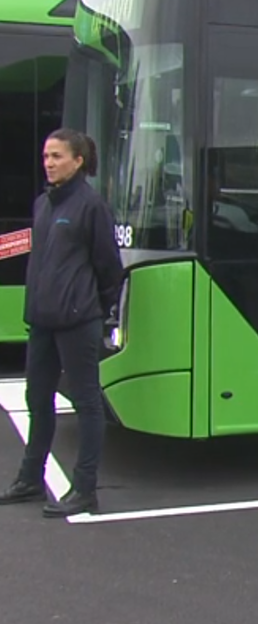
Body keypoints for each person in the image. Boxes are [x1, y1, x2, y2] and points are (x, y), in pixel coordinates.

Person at [0, 128, 123, 517]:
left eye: (56, 156)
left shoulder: (91, 207)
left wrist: (93, 310)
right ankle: (30, 480)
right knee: (38, 399)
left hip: (76, 321)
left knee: (87, 403)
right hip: (41, 321)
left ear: (78, 161)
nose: (48, 163)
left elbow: (110, 269)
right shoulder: (44, 204)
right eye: (46, 156)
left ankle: (85, 488)